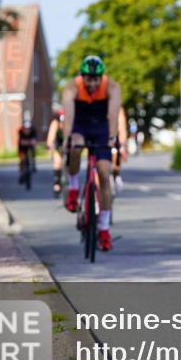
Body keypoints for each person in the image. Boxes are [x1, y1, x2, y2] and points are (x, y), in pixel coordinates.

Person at [61, 55, 123, 252]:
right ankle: (73, 187)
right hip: (80, 125)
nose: (92, 83)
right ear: (82, 77)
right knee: (76, 146)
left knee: (104, 173)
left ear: (102, 78)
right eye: (88, 78)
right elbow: (68, 116)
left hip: (101, 128)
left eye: (96, 79)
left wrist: (112, 137)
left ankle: (103, 228)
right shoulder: (71, 88)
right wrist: (67, 138)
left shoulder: (112, 87)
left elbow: (113, 114)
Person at [45, 107, 65, 195]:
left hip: (68, 145)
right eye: (62, 122)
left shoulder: (71, 123)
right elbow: (51, 136)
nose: (63, 124)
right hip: (58, 145)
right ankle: (57, 183)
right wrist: (50, 145)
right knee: (58, 162)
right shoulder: (55, 123)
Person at [17, 116, 39, 183]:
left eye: (28, 129)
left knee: (33, 149)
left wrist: (32, 142)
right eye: (26, 129)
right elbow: (21, 142)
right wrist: (28, 142)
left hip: (30, 145)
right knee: (22, 158)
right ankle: (22, 171)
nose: (27, 131)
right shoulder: (20, 131)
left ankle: (33, 163)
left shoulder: (33, 130)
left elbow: (35, 140)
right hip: (22, 147)